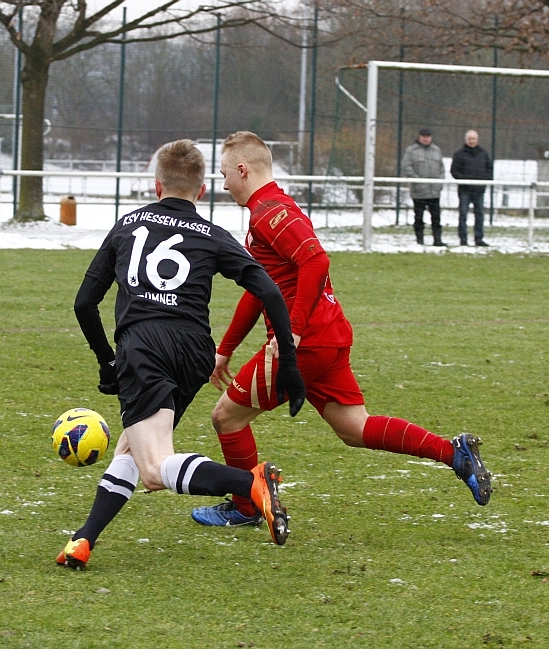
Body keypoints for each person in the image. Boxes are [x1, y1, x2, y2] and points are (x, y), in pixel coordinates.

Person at [189, 131, 493, 530]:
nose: (225, 184)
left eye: (225, 174)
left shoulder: (269, 213)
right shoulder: (271, 209)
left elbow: (316, 261)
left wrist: (292, 332)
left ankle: (246, 507)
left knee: (227, 417)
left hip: (305, 343)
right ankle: (454, 454)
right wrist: (226, 349)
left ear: (243, 170)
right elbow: (258, 290)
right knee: (355, 428)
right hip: (328, 336)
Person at [59, 139, 308, 569]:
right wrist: (288, 359)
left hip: (144, 348)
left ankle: (250, 484)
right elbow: (268, 290)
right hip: (194, 353)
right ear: (202, 191)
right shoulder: (212, 234)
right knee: (132, 449)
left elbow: (85, 304)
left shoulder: (127, 224)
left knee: (155, 469)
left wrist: (107, 361)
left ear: (157, 186)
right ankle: (84, 539)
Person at [401, 128, 446, 246]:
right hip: (419, 192)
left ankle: (437, 240)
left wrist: (439, 183)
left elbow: (441, 168)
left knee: (436, 218)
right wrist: (418, 181)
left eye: (428, 136)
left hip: (434, 192)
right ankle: (420, 241)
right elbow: (406, 167)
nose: (426, 139)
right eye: (423, 136)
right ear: (419, 137)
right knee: (419, 217)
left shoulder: (436, 150)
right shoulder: (411, 151)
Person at [450, 130, 493, 247]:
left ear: (477, 140)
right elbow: (454, 171)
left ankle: (479, 239)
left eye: (473, 139)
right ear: (466, 140)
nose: (471, 141)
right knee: (463, 214)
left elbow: (489, 169)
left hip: (479, 191)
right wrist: (464, 180)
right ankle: (463, 239)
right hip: (465, 191)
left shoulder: (483, 153)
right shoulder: (459, 154)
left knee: (479, 215)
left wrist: (484, 179)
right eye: (469, 139)